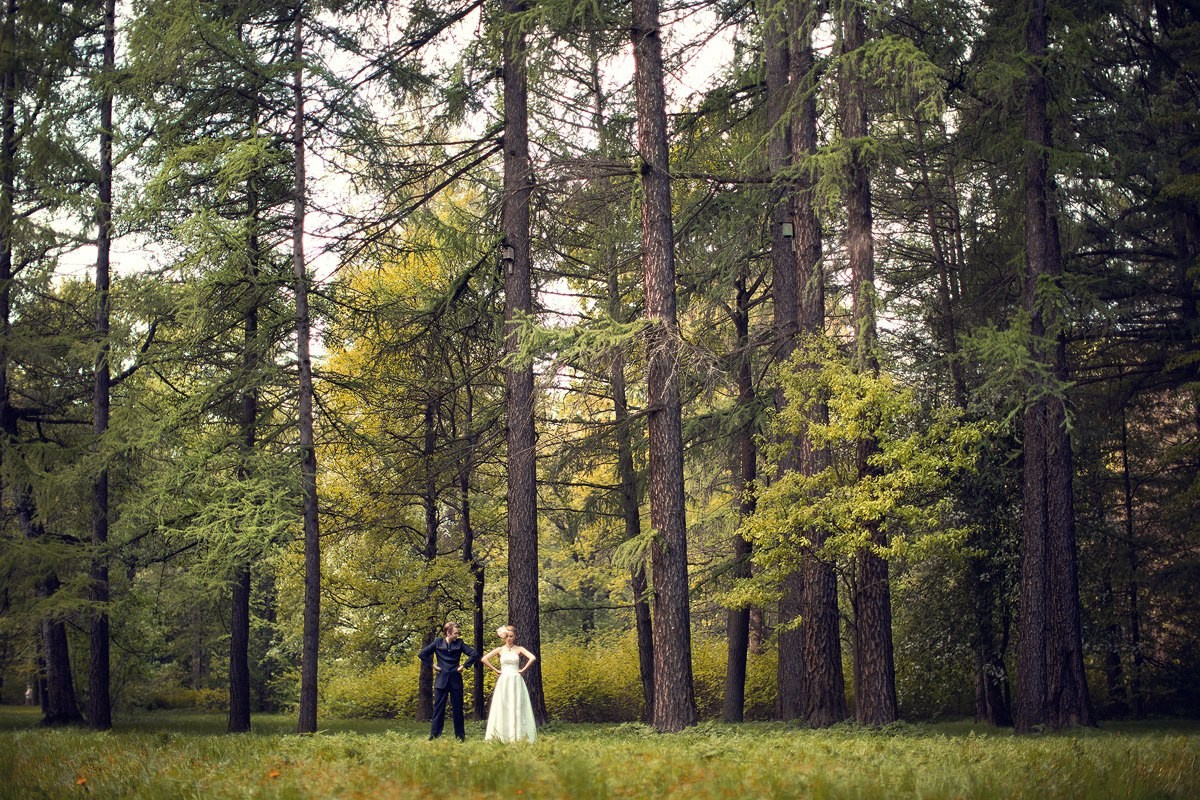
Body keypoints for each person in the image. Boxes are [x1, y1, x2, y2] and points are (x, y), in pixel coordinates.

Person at [417, 621, 479, 740]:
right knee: (438, 710)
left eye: (457, 633)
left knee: (458, 710)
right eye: (455, 633)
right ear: (448, 633)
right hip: (441, 681)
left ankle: (460, 737)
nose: (457, 635)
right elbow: (422, 654)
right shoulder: (437, 642)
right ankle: (434, 736)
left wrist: (464, 666)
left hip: (456, 681)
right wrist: (432, 665)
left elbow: (474, 654)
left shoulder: (460, 643)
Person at [481, 624, 537, 742]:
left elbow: (532, 657)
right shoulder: (500, 650)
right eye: (507, 636)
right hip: (504, 679)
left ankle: (517, 735)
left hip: (516, 679)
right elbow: (484, 659)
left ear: (515, 636)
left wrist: (523, 669)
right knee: (503, 705)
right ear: (503, 637)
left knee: (516, 705)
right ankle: (502, 735)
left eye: (511, 636)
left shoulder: (519, 649)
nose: (509, 638)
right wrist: (496, 670)